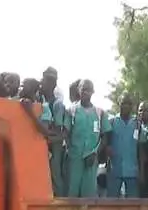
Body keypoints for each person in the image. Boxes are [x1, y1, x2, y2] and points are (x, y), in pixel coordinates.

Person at [64, 79, 112, 197]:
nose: (86, 92)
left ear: (93, 92)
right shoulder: (71, 111)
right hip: (74, 159)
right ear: (78, 91)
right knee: (72, 193)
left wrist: (95, 153)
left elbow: (105, 136)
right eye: (83, 89)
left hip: (91, 160)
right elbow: (66, 133)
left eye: (89, 90)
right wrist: (71, 151)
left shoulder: (100, 113)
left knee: (89, 195)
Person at [106, 94, 140, 198]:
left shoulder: (137, 124)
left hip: (132, 170)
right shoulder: (111, 122)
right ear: (119, 104)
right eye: (123, 103)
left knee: (133, 204)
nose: (126, 106)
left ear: (132, 106)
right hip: (115, 169)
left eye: (128, 104)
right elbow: (105, 142)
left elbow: (141, 147)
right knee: (111, 203)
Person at [41, 68, 67, 197]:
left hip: (53, 145)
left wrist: (46, 137)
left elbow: (58, 132)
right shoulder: (39, 99)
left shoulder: (57, 104)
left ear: (54, 84)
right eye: (44, 79)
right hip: (41, 143)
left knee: (55, 175)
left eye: (49, 80)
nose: (44, 83)